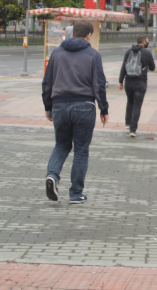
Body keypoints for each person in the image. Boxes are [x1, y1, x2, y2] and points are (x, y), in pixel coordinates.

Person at [42, 20, 108, 204]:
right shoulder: (93, 55)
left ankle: (52, 176)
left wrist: (48, 106)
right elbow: (99, 84)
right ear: (88, 35)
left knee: (61, 145)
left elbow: (47, 82)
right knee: (81, 150)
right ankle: (76, 193)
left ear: (71, 33)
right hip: (84, 106)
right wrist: (104, 108)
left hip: (60, 105)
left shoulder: (57, 53)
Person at [119, 34, 156, 137]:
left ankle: (127, 123)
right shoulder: (147, 53)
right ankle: (133, 130)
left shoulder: (128, 52)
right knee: (137, 105)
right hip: (141, 82)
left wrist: (120, 81)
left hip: (128, 82)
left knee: (130, 101)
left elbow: (123, 67)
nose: (148, 43)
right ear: (144, 42)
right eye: (147, 41)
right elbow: (152, 67)